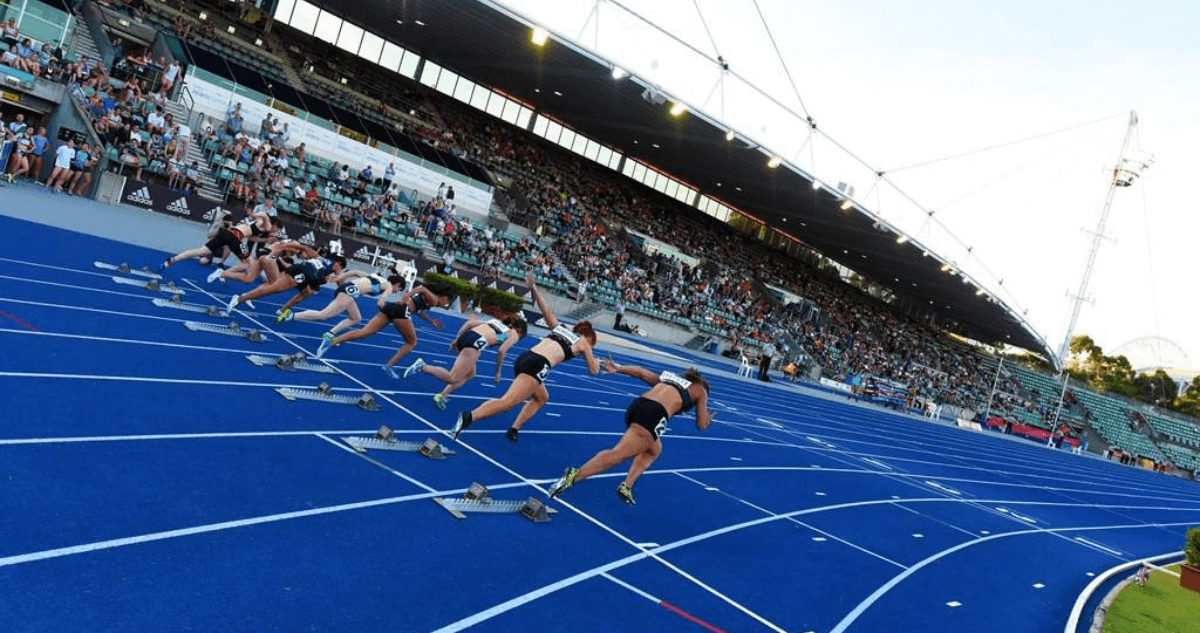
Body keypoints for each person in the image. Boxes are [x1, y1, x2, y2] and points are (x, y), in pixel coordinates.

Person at [451, 273, 599, 442]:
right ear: (589, 338)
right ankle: (469, 417)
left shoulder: (561, 328)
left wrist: (533, 286)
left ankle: (514, 428)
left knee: (542, 397)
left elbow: (546, 310)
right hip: (538, 365)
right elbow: (594, 370)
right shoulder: (583, 343)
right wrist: (591, 355)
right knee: (506, 403)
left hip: (526, 357)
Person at [548, 359, 712, 505]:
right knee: (618, 454)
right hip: (654, 414)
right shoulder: (701, 390)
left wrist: (618, 368)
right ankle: (574, 476)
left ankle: (627, 486)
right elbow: (701, 424)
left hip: (638, 406)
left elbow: (641, 372)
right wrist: (708, 417)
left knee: (654, 449)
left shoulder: (671, 378)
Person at [316, 283, 455, 379]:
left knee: (363, 333)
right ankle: (389, 366)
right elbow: (422, 288)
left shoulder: (432, 299)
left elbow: (418, 310)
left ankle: (331, 341)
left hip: (392, 308)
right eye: (447, 302)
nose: (445, 305)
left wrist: (431, 321)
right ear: (444, 297)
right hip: (401, 312)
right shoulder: (435, 299)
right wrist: (407, 295)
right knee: (412, 342)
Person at [404, 313, 528, 410]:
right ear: (520, 331)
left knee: (471, 373)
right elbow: (501, 351)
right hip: (474, 344)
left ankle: (442, 395)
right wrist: (498, 372)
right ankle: (422, 366)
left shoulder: (494, 323)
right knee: (452, 378)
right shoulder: (514, 334)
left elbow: (469, 324)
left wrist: (457, 340)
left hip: (467, 336)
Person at [278, 271, 404, 343]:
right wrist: (383, 306)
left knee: (356, 318)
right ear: (397, 284)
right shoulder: (388, 286)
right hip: (349, 293)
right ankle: (291, 315)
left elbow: (354, 272)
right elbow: (383, 298)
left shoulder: (377, 277)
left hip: (348, 291)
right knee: (324, 315)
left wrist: (340, 277)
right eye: (399, 289)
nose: (397, 292)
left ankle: (330, 333)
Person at [227, 249, 346, 312]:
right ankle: (239, 298)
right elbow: (340, 280)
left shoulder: (322, 260)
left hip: (302, 272)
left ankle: (283, 310)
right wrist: (342, 291)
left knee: (307, 293)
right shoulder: (336, 266)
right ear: (339, 262)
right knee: (271, 289)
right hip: (300, 272)